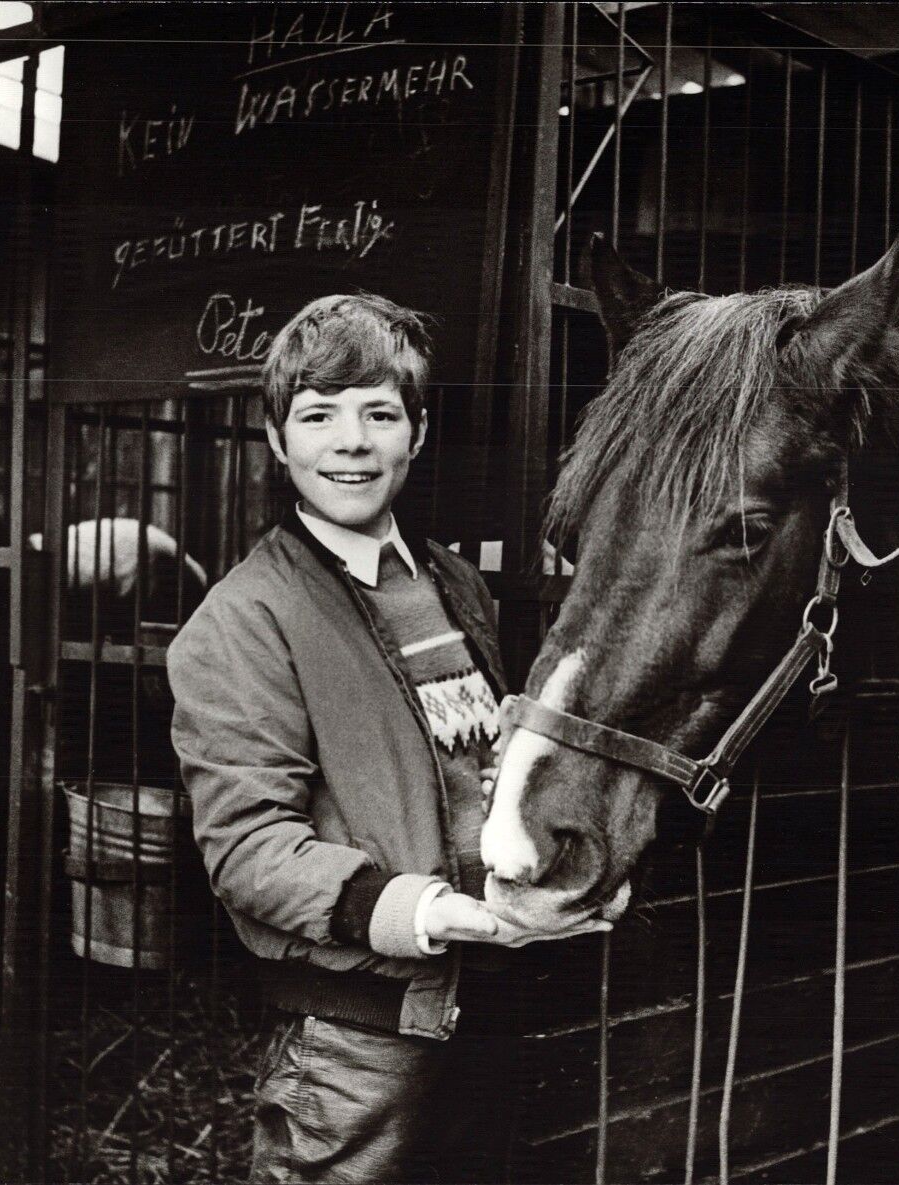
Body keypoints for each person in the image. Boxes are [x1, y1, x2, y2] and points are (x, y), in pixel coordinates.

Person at [168, 293, 608, 1183]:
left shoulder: (452, 584)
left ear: (417, 429)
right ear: (277, 439)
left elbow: (483, 772)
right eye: (318, 415)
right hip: (352, 1041)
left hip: (487, 999)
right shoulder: (243, 620)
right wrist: (425, 911)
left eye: (379, 412)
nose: (351, 441)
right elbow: (248, 849)